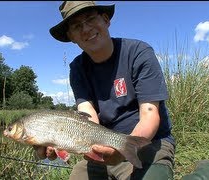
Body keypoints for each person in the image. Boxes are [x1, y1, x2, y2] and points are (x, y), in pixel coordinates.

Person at [34, 1, 175, 179]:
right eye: (77, 26)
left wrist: (124, 148)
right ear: (71, 37)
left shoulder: (138, 52)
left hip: (149, 143)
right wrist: (59, 140)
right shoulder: (77, 68)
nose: (85, 29)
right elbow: (87, 114)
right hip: (102, 145)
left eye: (90, 19)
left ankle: (206, 171)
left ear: (106, 20)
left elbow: (150, 114)